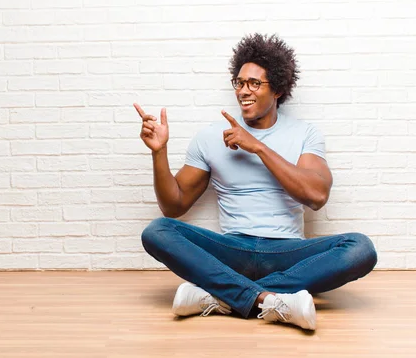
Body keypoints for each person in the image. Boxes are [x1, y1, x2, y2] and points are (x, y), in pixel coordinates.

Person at [134, 33, 377, 331]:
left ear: (276, 89)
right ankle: (269, 300)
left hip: (286, 253)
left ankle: (222, 294)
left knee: (360, 248)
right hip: (231, 250)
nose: (243, 91)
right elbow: (174, 206)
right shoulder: (210, 137)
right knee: (157, 231)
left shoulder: (304, 134)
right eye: (239, 82)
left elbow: (316, 195)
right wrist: (159, 153)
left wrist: (258, 147)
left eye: (254, 83)